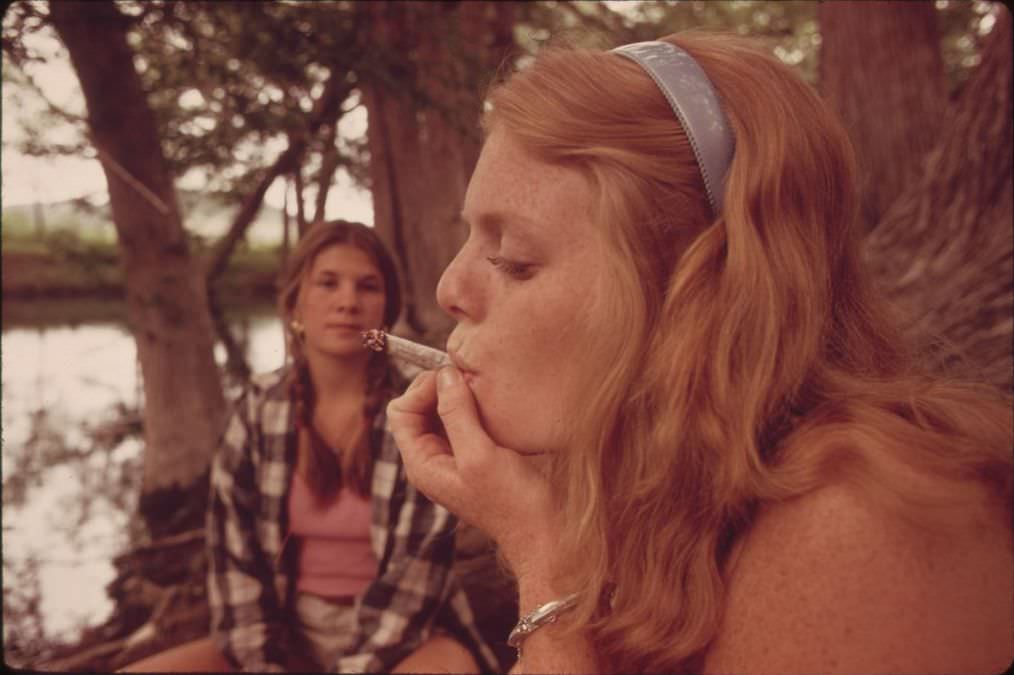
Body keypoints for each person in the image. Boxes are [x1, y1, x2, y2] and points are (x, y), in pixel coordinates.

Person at [388, 33, 1014, 674]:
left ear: (691, 292)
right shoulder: (652, 490)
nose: (449, 289)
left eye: (513, 261)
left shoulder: (866, 527)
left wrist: (539, 557)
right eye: (470, 240)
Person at [123, 220, 498, 673]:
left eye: (367, 286)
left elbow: (414, 582)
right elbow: (232, 558)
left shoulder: (419, 415)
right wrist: (263, 664)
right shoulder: (258, 410)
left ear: (387, 309)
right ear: (295, 301)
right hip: (285, 632)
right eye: (327, 283)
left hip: (406, 639)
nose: (347, 302)